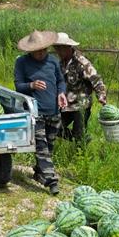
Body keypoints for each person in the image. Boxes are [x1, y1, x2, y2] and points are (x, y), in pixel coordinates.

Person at [14, 30, 67, 195]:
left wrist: (61, 93)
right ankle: (52, 181)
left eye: (44, 50)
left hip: (53, 111)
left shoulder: (53, 61)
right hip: (35, 112)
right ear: (30, 50)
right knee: (41, 147)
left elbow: (60, 81)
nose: (41, 53)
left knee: (49, 148)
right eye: (38, 51)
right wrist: (31, 85)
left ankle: (39, 172)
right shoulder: (22, 63)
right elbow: (18, 86)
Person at [53, 33, 107, 142]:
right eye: (56, 48)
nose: (58, 52)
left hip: (81, 104)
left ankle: (80, 143)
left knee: (79, 135)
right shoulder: (60, 63)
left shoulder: (81, 62)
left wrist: (101, 95)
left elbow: (95, 79)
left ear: (68, 47)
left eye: (60, 49)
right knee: (54, 128)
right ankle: (81, 139)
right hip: (65, 105)